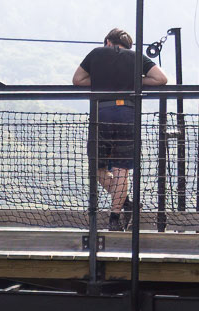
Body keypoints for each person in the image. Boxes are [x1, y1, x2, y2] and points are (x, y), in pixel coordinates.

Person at [73, 29, 167, 231]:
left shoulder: (96, 53)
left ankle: (126, 205)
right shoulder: (136, 57)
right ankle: (117, 216)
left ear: (108, 41)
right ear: (128, 45)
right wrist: (134, 81)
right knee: (121, 168)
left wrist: (100, 82)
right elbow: (161, 79)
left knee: (97, 169)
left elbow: (78, 80)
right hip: (127, 114)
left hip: (102, 114)